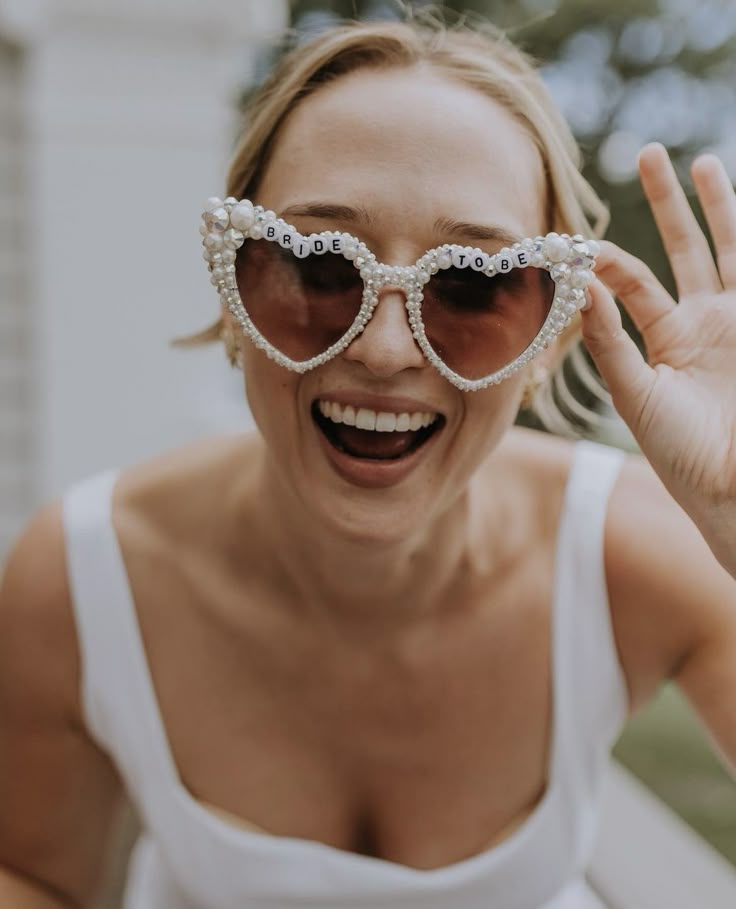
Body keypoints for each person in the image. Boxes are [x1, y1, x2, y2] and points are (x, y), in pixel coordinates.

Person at [1, 12, 735, 909]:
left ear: (548, 337)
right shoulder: (80, 576)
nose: (386, 349)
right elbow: (34, 875)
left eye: (471, 284)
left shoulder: (641, 557)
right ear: (234, 294)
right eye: (318, 267)